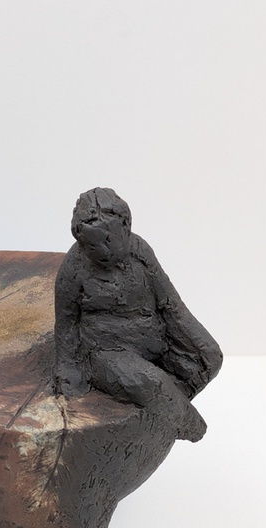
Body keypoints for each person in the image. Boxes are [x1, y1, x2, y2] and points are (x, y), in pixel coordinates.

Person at [53, 187, 222, 442]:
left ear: (126, 226)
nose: (103, 251)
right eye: (91, 246)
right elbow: (66, 322)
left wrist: (201, 344)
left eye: (108, 240)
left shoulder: (140, 252)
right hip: (106, 352)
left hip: (154, 339)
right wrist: (69, 369)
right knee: (149, 383)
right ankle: (190, 426)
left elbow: (171, 304)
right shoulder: (74, 266)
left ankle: (163, 409)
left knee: (209, 358)